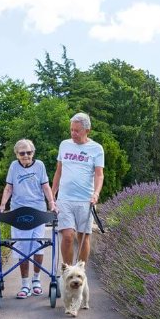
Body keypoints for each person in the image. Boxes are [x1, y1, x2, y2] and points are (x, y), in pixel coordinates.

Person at [0, 139, 57, 299]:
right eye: (22, 153)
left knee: (38, 245)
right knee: (22, 247)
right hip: (18, 211)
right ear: (17, 154)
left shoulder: (40, 165)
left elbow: (46, 186)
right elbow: (9, 187)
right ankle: (25, 284)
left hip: (37, 210)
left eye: (29, 152)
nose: (26, 156)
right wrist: (2, 206)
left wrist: (52, 203)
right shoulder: (13, 166)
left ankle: (36, 281)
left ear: (33, 153)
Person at [52, 112, 104, 267]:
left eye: (77, 130)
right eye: (71, 130)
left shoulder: (96, 149)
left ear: (87, 130)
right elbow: (58, 171)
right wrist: (52, 194)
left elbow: (99, 175)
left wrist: (96, 194)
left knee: (82, 237)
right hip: (65, 199)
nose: (73, 133)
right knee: (67, 236)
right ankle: (67, 273)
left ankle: (80, 273)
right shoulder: (64, 145)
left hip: (85, 200)